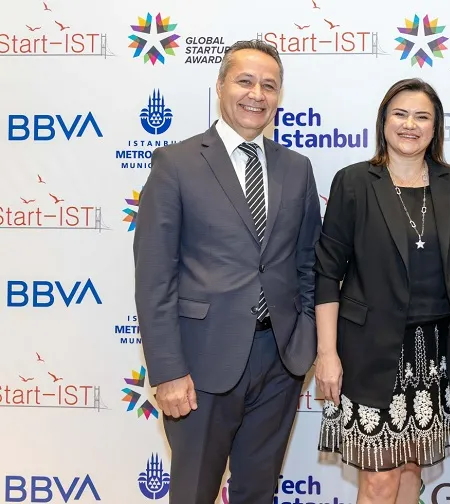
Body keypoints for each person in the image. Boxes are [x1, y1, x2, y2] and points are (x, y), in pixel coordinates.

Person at [133, 39, 321, 503]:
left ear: (279, 96)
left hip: (279, 362)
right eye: (245, 81)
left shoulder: (297, 168)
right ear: (220, 86)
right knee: (194, 492)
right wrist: (167, 370)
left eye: (269, 85)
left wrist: (304, 340)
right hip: (200, 363)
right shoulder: (175, 164)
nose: (257, 94)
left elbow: (307, 263)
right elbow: (155, 276)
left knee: (257, 493)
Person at [314, 78, 450, 504]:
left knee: (411, 469)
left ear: (436, 127)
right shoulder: (354, 182)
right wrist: (327, 354)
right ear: (383, 120)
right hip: (368, 351)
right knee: (378, 480)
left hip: (433, 352)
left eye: (422, 117)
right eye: (400, 114)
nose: (410, 125)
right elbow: (327, 274)